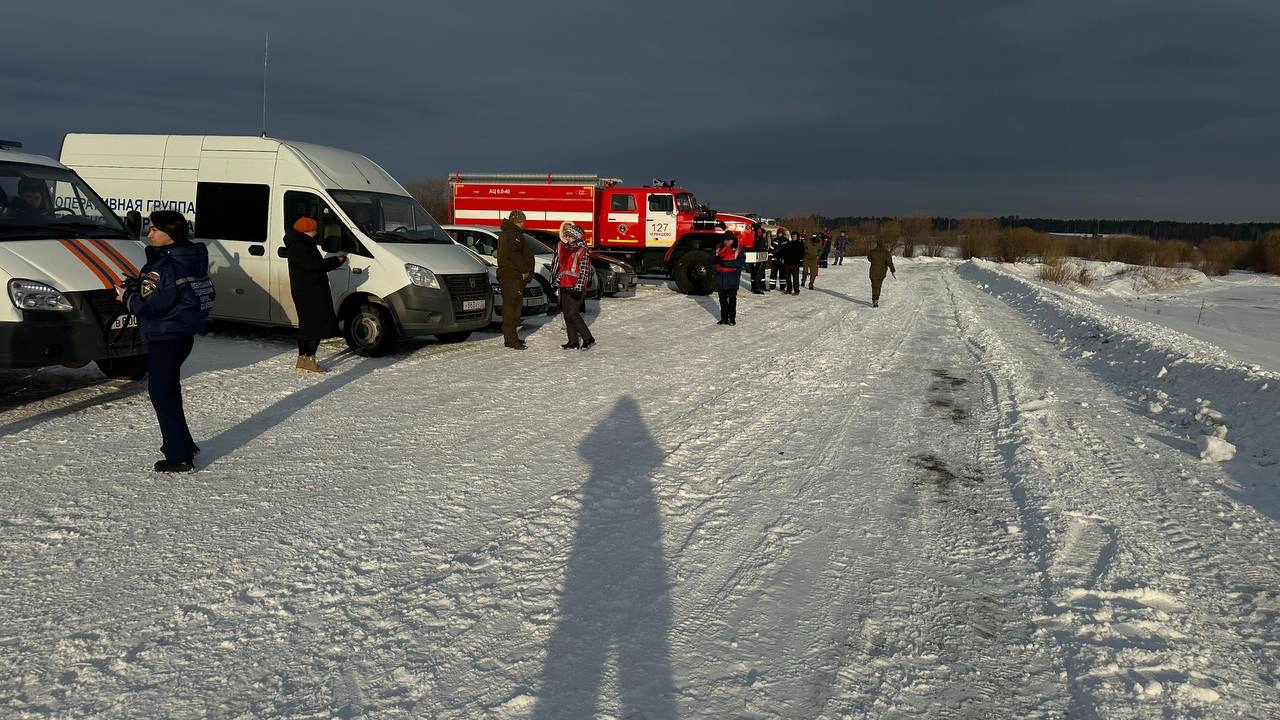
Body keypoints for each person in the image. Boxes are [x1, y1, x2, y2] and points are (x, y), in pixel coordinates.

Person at [116, 210, 215, 473]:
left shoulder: (163, 267)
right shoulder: (191, 257)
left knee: (162, 394)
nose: (149, 234)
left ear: (170, 234)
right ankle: (183, 445)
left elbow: (152, 307)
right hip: (182, 335)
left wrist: (127, 297)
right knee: (169, 392)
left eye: (154, 229)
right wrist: (140, 286)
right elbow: (177, 294)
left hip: (165, 336)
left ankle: (179, 456)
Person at [285, 217, 347, 372]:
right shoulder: (301, 246)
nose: (316, 232)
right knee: (316, 326)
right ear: (307, 231)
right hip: (311, 292)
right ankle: (310, 359)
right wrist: (336, 261)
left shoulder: (298, 244)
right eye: (314, 229)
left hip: (305, 291)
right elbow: (314, 265)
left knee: (306, 326)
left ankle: (302, 359)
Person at [554, 221, 595, 349]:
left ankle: (588, 338)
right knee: (567, 314)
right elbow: (563, 269)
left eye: (568, 235)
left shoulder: (583, 251)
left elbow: (584, 272)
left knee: (572, 313)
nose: (566, 237)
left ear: (574, 236)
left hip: (575, 287)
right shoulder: (567, 249)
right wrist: (556, 283)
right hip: (565, 285)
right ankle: (573, 341)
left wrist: (578, 288)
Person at [496, 209, 534, 349]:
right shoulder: (513, 234)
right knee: (512, 309)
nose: (524, 224)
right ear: (518, 221)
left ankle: (511, 338)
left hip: (510, 276)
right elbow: (515, 254)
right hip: (512, 276)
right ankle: (511, 340)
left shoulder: (507, 233)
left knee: (511, 307)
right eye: (522, 221)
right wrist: (524, 270)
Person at [714, 232, 744, 324]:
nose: (726, 241)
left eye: (728, 240)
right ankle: (724, 318)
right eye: (725, 240)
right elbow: (710, 258)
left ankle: (732, 318)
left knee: (732, 300)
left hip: (732, 278)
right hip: (720, 278)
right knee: (722, 300)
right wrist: (715, 260)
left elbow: (740, 262)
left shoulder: (739, 248)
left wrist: (725, 263)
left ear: (733, 240)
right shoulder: (718, 247)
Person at [868, 237, 897, 307]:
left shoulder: (872, 251)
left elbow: (869, 259)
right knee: (878, 285)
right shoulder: (886, 253)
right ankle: (876, 299)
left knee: (874, 285)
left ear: (877, 244)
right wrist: (893, 271)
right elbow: (890, 263)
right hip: (882, 272)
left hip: (873, 271)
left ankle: (875, 299)